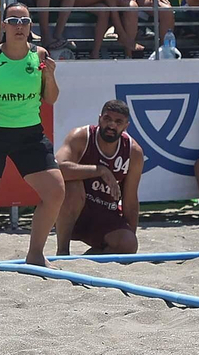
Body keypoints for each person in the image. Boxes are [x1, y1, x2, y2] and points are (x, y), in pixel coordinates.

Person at [0, 3, 64, 267]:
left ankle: (36, 254)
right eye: (14, 20)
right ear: (3, 25)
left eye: (25, 21)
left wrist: (51, 77)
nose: (20, 26)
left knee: (55, 192)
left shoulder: (39, 55)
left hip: (30, 134)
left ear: (30, 27)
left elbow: (50, 98)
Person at [54, 100, 142, 255]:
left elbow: (130, 201)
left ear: (126, 126)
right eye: (107, 119)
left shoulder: (132, 151)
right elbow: (58, 168)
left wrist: (130, 236)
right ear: (99, 119)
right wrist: (100, 170)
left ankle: (87, 260)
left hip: (105, 212)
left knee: (127, 244)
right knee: (71, 186)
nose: (112, 125)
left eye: (118, 122)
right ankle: (62, 252)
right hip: (74, 210)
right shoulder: (82, 136)